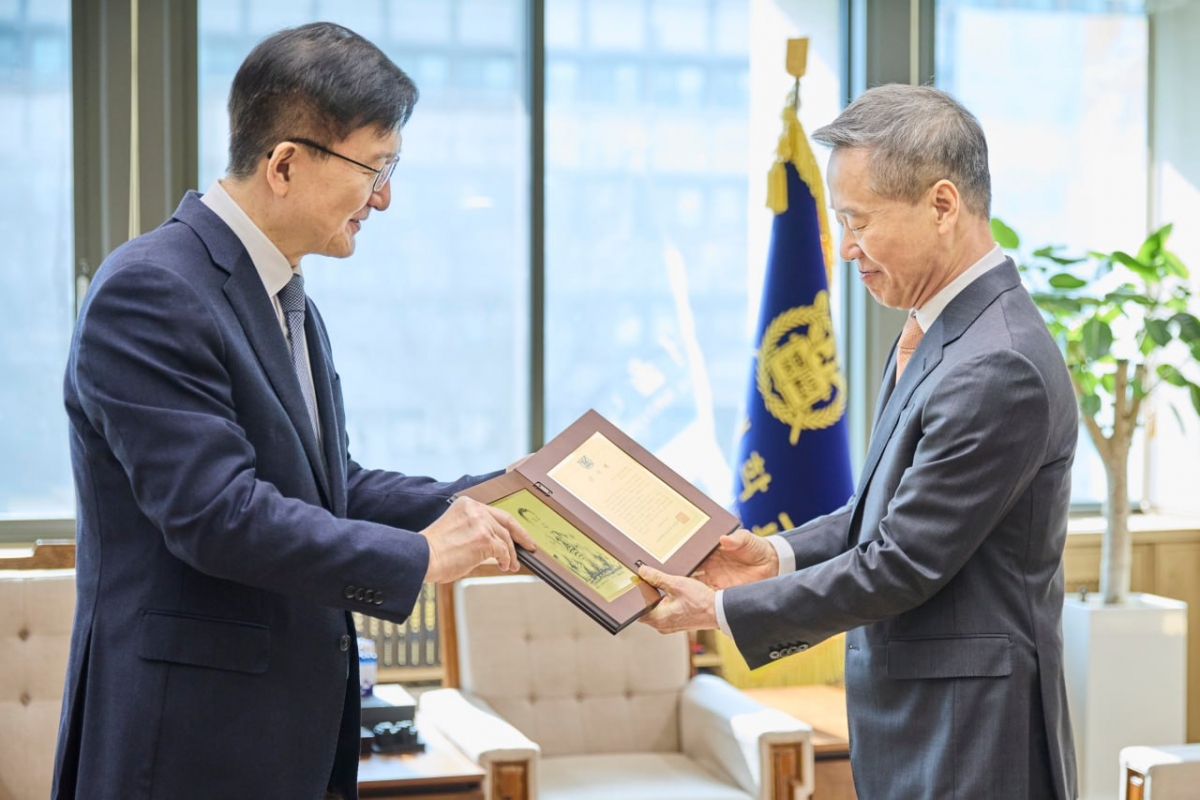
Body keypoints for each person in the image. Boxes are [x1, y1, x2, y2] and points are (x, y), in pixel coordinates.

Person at [52, 22, 533, 800]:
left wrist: (501, 495)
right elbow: (220, 514)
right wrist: (423, 558)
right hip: (185, 744)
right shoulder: (150, 289)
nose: (385, 196)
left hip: (283, 737)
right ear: (284, 163)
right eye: (376, 167)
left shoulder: (284, 297)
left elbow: (329, 487)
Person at [638, 84, 1078, 800]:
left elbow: (901, 561)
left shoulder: (1000, 361)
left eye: (857, 221)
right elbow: (881, 513)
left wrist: (717, 611)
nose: (844, 250)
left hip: (972, 731)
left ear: (942, 205)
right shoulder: (935, 333)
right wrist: (770, 556)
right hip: (916, 718)